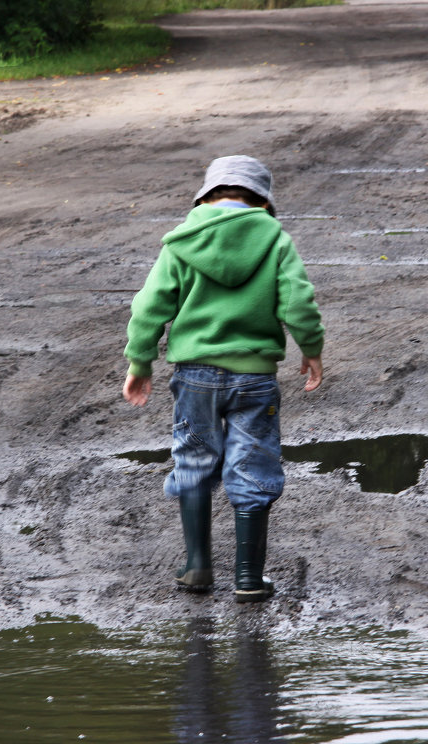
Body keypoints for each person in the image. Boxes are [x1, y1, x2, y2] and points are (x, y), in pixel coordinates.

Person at [122, 155, 325, 603]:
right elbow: (298, 302)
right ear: (262, 202)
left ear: (207, 197)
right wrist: (311, 350)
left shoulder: (181, 243)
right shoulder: (275, 239)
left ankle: (197, 567)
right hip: (255, 378)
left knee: (193, 460)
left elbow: (149, 306)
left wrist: (140, 362)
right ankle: (249, 578)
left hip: (195, 377)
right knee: (253, 466)